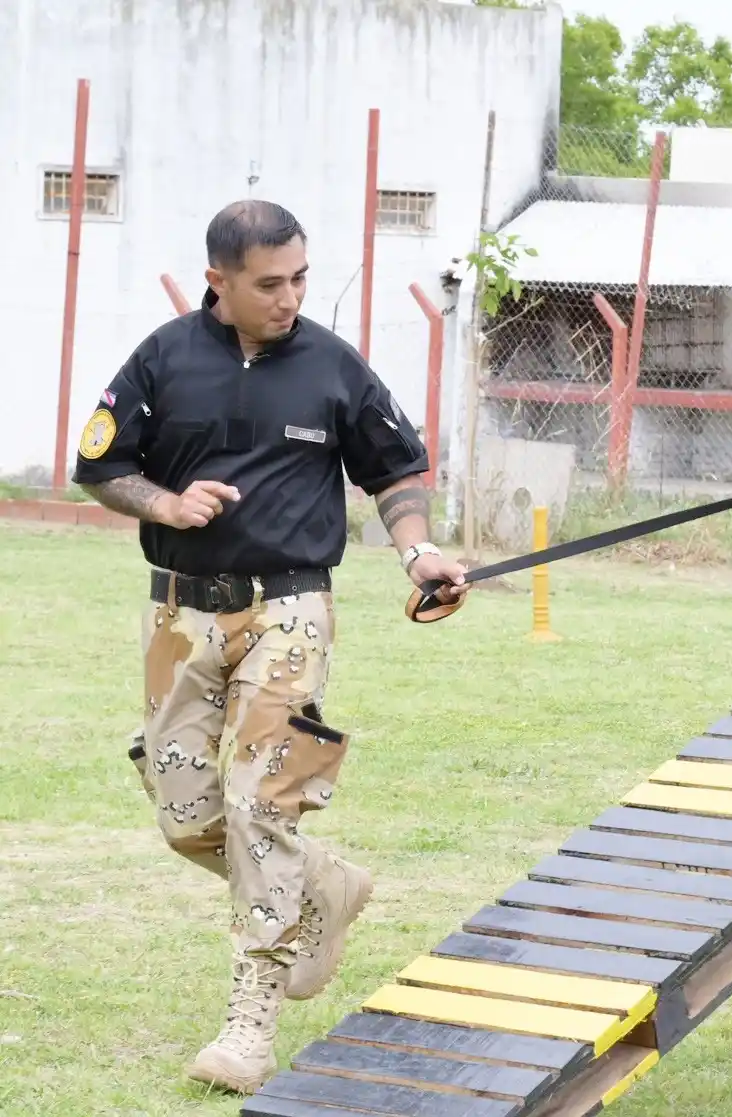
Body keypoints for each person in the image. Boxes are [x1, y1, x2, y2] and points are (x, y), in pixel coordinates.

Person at [72, 199, 470, 1095]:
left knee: (260, 805)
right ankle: (318, 883)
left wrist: (417, 549)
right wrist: (166, 504)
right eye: (267, 283)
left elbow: (394, 472)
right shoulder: (162, 358)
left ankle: (249, 1025)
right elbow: (101, 466)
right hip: (179, 616)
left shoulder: (331, 365)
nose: (289, 297)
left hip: (289, 610)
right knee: (185, 815)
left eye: (298, 277)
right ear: (219, 280)